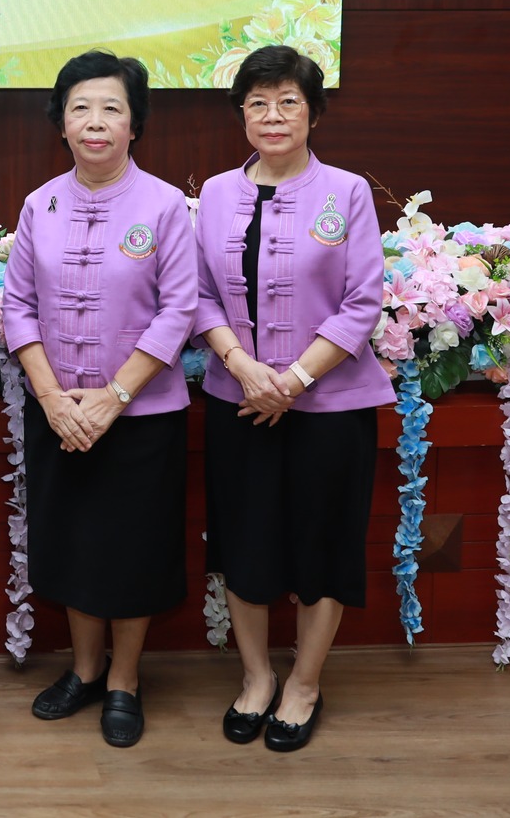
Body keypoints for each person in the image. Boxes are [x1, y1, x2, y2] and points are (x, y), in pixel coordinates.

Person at [192, 44, 387, 753]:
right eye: (257, 103)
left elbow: (363, 301)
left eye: (288, 102)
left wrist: (294, 381)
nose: (272, 116)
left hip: (330, 407)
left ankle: (303, 684)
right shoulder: (216, 194)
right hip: (238, 399)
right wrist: (245, 368)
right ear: (241, 113)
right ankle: (256, 677)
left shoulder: (348, 192)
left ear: (313, 113)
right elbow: (199, 296)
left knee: (323, 546)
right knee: (244, 541)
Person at [2, 51, 198, 748]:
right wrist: (53, 399)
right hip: (58, 413)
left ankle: (124, 679)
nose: (95, 122)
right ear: (61, 123)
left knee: (133, 549)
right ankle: (84, 670)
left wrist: (113, 398)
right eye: (80, 108)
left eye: (112, 108)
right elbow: (17, 307)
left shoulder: (165, 205)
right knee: (73, 543)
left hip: (140, 415)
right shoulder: (41, 203)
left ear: (134, 124)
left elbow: (179, 311)